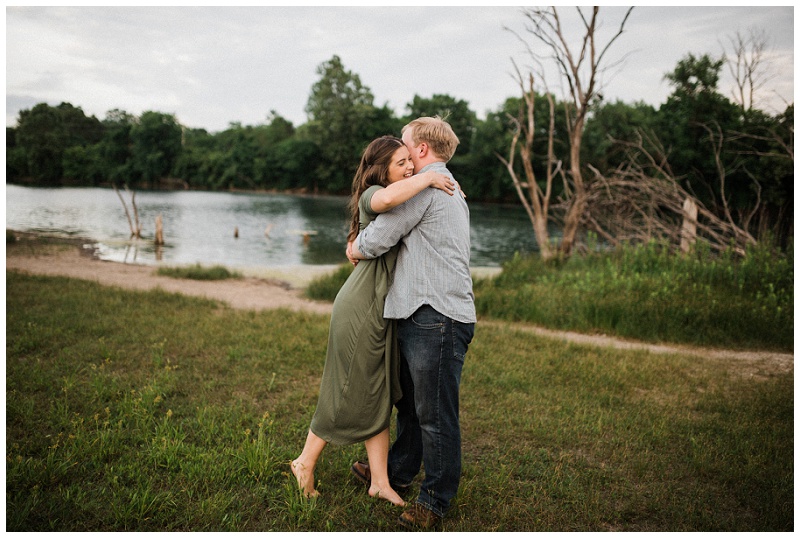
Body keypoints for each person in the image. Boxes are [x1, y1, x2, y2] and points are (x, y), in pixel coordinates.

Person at [291, 135, 456, 506]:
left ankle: (380, 481)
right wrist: (429, 177)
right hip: (361, 307)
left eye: (409, 161)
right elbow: (383, 201)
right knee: (347, 388)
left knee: (379, 393)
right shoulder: (374, 194)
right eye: (401, 163)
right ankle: (304, 461)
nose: (409, 167)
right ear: (380, 170)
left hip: (381, 310)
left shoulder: (406, 197)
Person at [347, 117, 476, 529]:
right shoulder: (446, 184)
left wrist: (355, 245)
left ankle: (435, 499)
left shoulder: (428, 187)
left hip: (435, 314)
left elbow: (379, 237)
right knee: (412, 405)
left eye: (405, 149)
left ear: (421, 149)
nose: (401, 159)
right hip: (426, 311)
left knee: (435, 413)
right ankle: (398, 473)